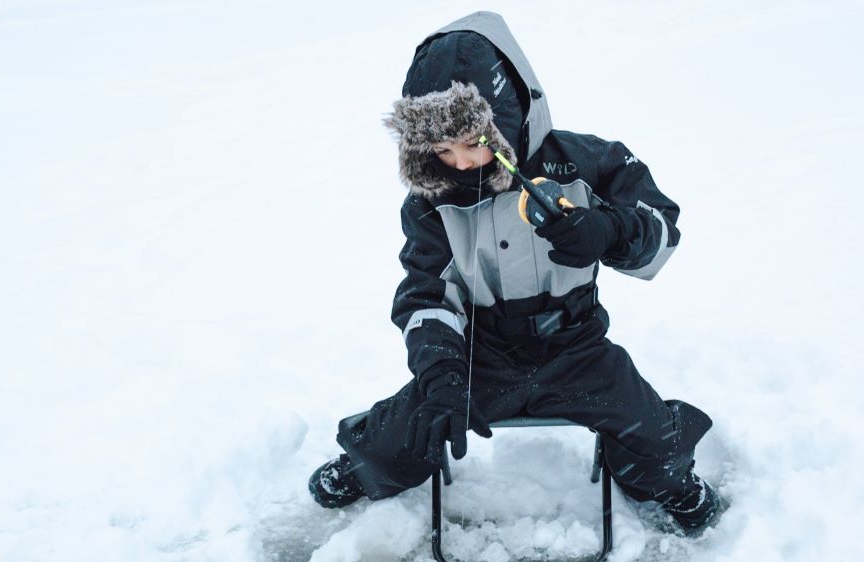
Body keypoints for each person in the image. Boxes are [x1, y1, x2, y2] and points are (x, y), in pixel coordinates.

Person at [308, 11, 721, 533]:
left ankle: (666, 478)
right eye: (441, 150)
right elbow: (425, 296)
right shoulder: (430, 202)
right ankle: (364, 461)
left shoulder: (587, 162)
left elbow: (661, 232)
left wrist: (609, 231)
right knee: (400, 443)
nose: (459, 163)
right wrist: (441, 374)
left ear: (504, 114)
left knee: (656, 445)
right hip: (482, 358)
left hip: (579, 351)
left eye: (472, 142)